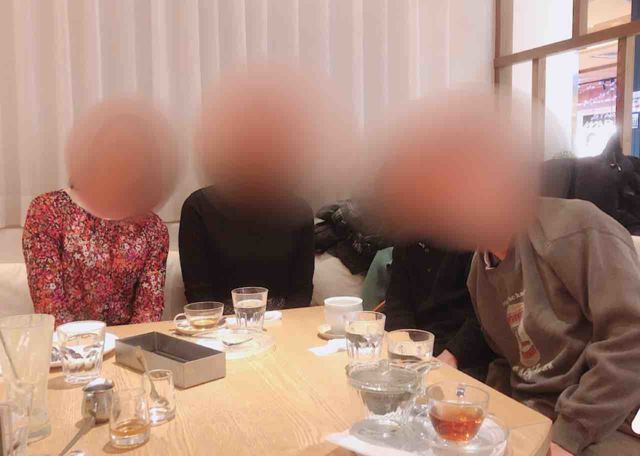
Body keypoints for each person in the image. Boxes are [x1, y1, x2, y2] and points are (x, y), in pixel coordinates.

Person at [466, 197, 640, 455]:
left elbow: (631, 341)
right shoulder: (479, 272)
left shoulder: (575, 227)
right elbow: (506, 359)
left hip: (609, 421)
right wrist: (494, 413)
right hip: (534, 414)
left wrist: (569, 433)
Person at [23, 188, 169, 326]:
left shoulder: (152, 227)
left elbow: (149, 311)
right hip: (65, 340)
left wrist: (127, 343)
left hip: (126, 340)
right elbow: (50, 309)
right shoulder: (48, 210)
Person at [179, 187, 314, 309]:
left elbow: (302, 291)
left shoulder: (299, 210)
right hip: (219, 320)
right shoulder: (198, 206)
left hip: (284, 318)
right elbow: (198, 292)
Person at [383, 242, 494, 380]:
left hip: (464, 355)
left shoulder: (473, 244)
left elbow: (485, 315)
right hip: (416, 350)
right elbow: (397, 302)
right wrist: (405, 345)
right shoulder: (407, 242)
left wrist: (454, 354)